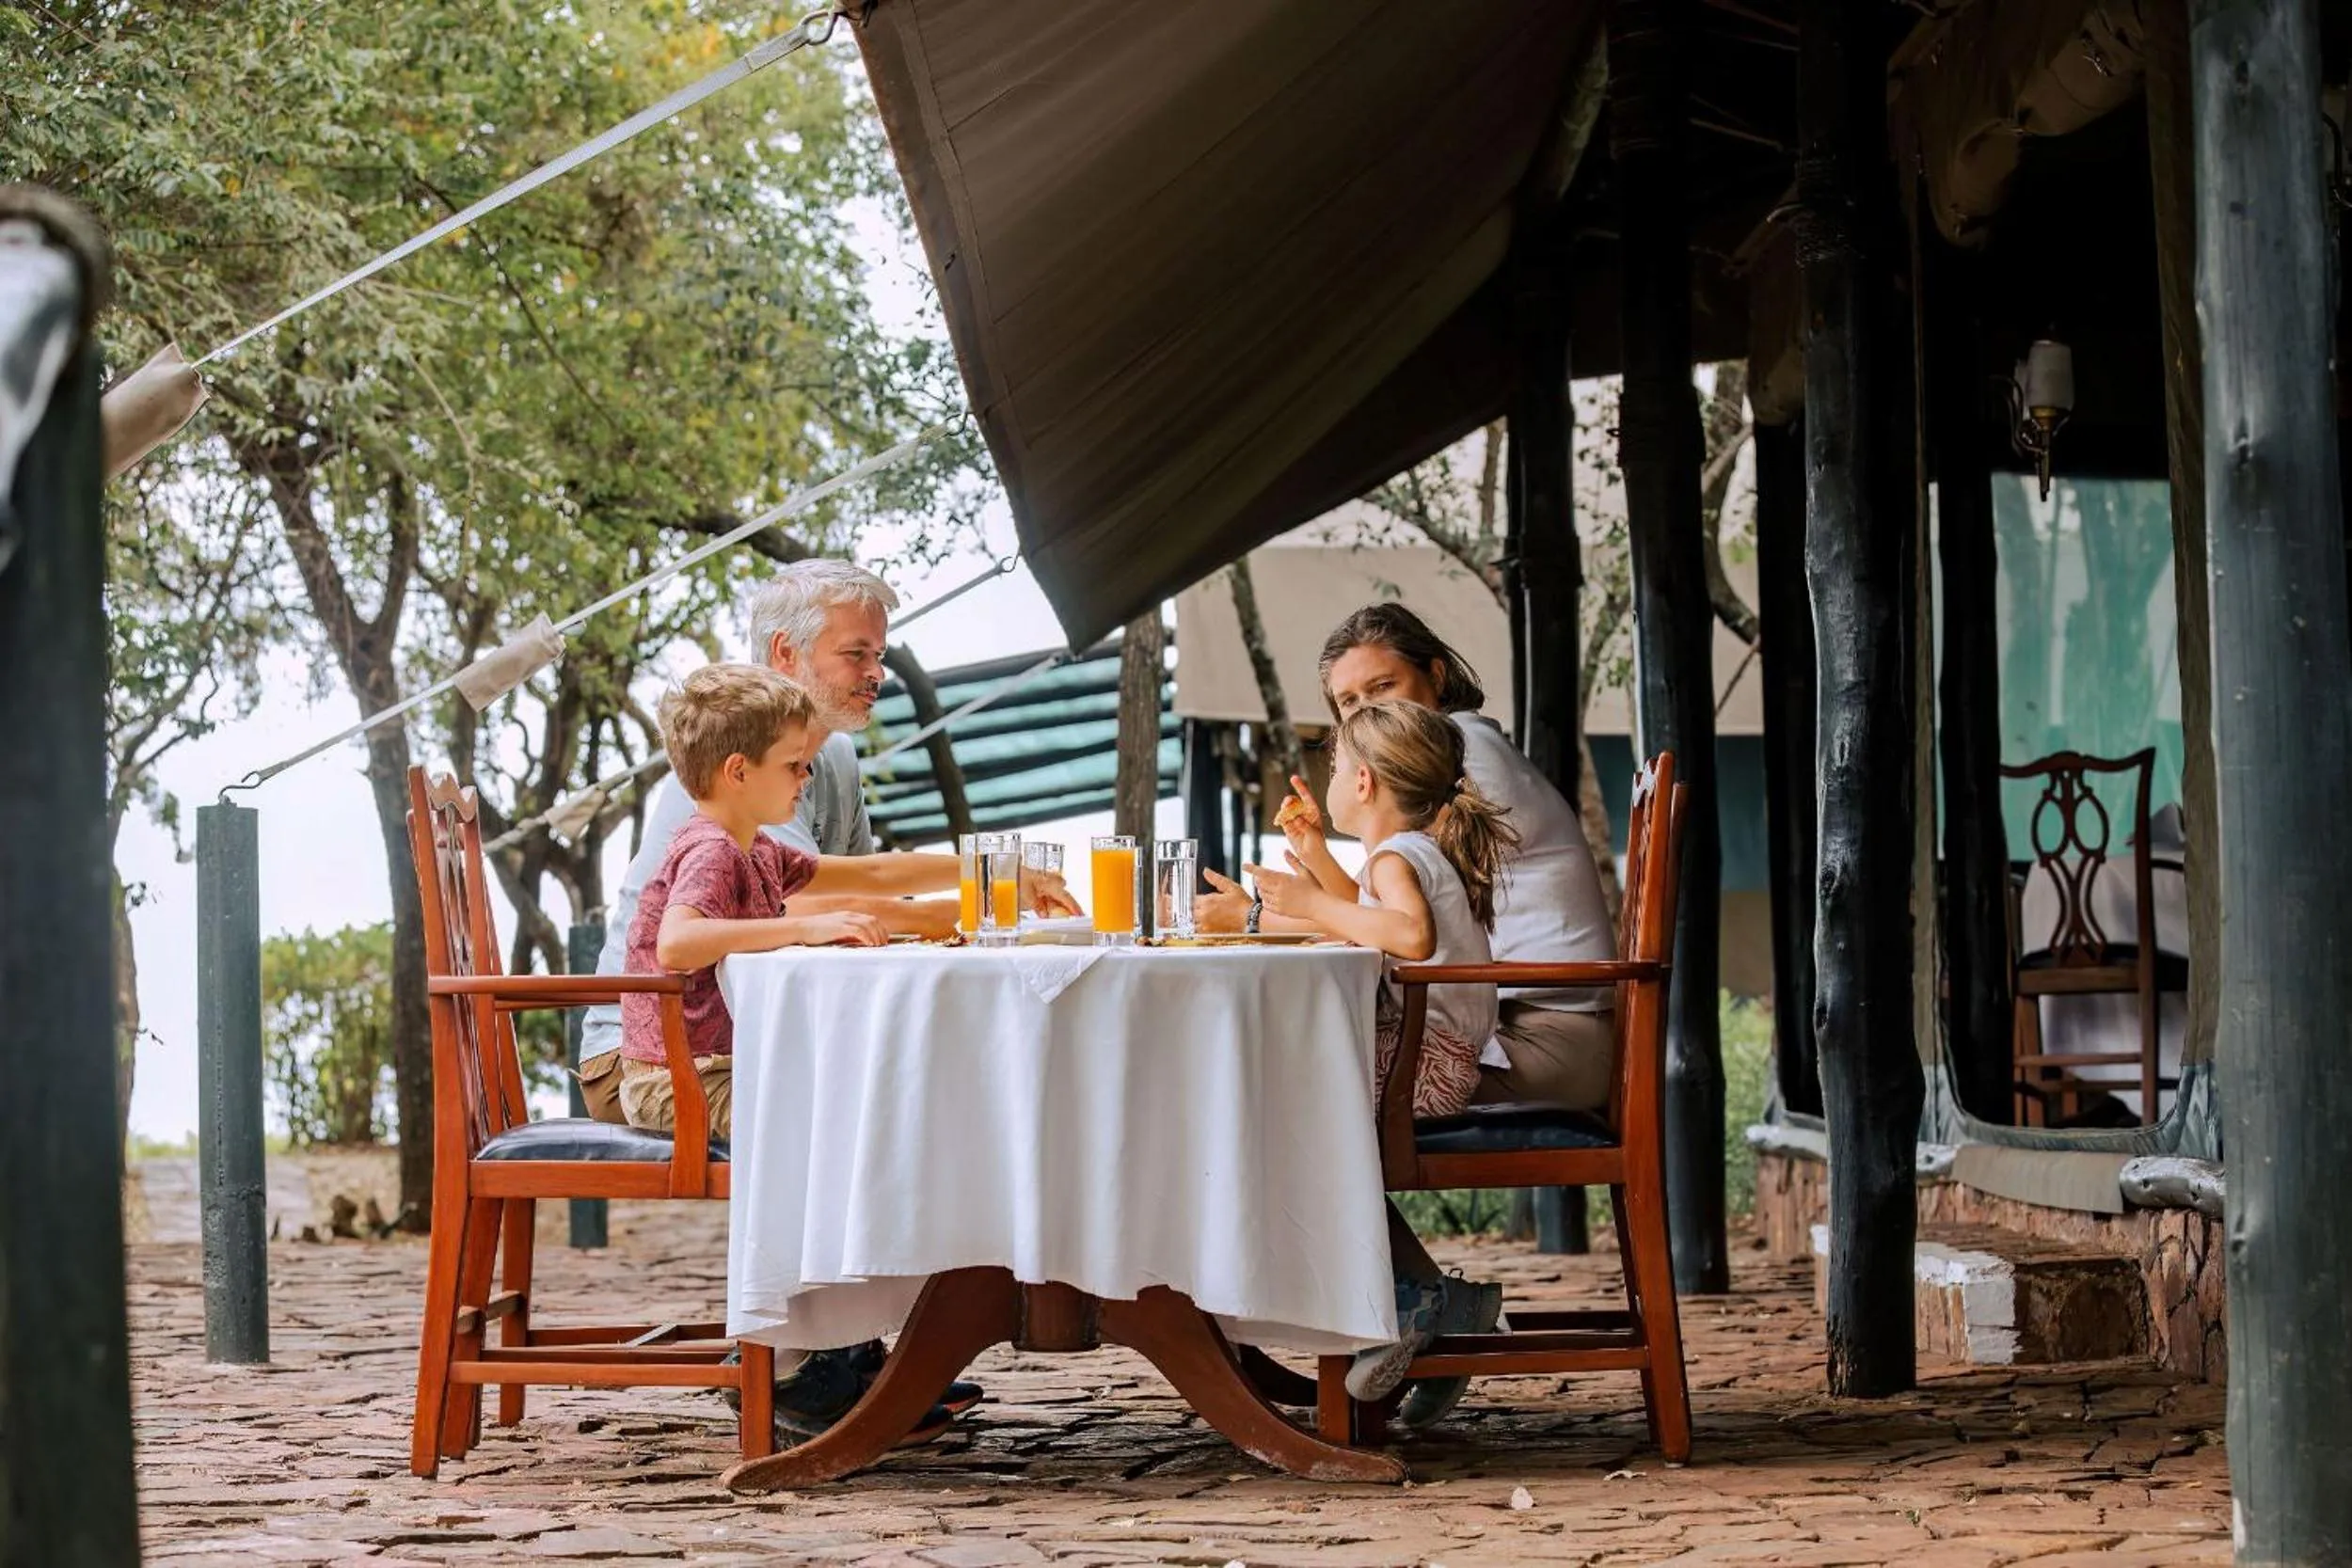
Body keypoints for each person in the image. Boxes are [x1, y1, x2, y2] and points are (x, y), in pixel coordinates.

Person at [578, 560, 1075, 1119]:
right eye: (855, 653)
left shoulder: (828, 757)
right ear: (786, 653)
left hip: (740, 1040)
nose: (877, 673)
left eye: (880, 656)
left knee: (909, 1084)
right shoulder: (729, 790)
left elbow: (873, 878)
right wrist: (949, 913)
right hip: (646, 1060)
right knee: (876, 1108)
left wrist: (993, 875)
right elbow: (805, 911)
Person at [1204, 603, 1617, 1115]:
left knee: (1290, 1093)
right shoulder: (1444, 765)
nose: (1363, 714)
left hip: (1547, 1039)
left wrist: (1249, 920)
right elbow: (1373, 914)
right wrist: (1310, 862)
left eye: (1382, 688)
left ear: (1436, 676)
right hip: (1516, 1025)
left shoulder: (1460, 759)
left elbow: (1387, 929)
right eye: (1348, 703)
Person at [1243, 699, 1515, 1407]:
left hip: (1427, 1063)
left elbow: (1408, 934)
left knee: (1276, 1118)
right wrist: (1316, 862)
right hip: (1429, 1054)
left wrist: (1305, 902)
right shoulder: (1404, 853)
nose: (1325, 776)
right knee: (1282, 1107)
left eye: (1333, 764)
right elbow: (1374, 915)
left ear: (1362, 783)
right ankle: (1439, 1306)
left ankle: (1399, 1305)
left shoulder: (1399, 856)